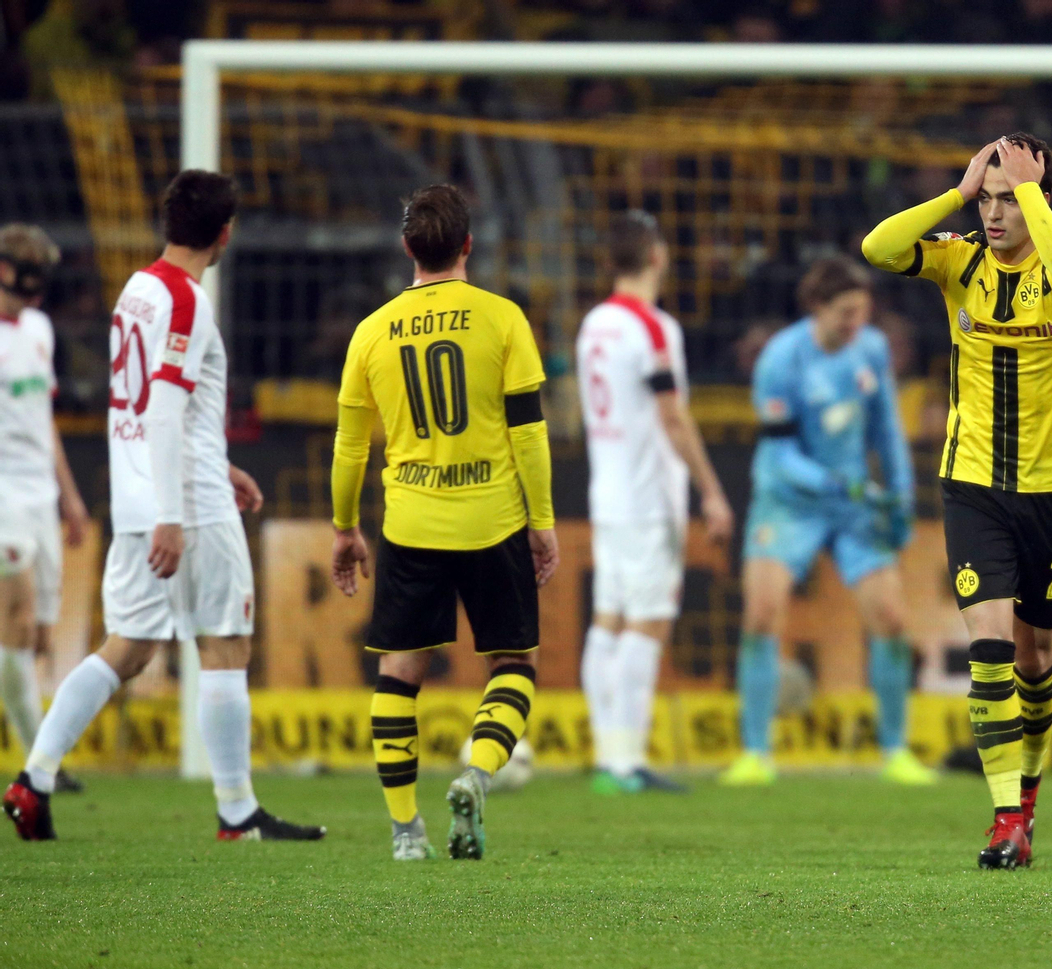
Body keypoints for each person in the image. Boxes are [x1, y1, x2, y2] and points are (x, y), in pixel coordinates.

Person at [3, 171, 324, 842]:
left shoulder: (138, 289)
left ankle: (33, 779)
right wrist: (175, 514)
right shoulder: (185, 301)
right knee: (225, 641)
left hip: (136, 495)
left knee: (129, 647)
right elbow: (166, 409)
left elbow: (152, 405)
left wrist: (218, 464)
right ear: (225, 234)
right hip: (185, 506)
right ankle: (237, 811)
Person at [862, 133, 1052, 868]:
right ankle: (1004, 820)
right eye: (988, 200)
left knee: (1038, 655)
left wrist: (1029, 190)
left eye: (1010, 200)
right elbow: (878, 248)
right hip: (973, 483)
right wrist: (957, 193)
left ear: (1041, 199)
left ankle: (1026, 800)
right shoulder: (960, 260)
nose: (995, 215)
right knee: (992, 650)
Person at [329, 184, 557, 862]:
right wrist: (541, 520)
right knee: (513, 662)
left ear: (408, 247)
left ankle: (406, 832)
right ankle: (477, 774)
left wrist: (345, 526)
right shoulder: (503, 319)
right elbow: (529, 433)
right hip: (493, 518)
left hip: (411, 523)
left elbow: (349, 446)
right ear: (468, 245)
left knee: (399, 674)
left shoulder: (371, 331)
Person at [719, 256, 935, 789]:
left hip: (852, 502)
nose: (856, 322)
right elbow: (780, 453)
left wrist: (902, 498)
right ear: (817, 306)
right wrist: (834, 483)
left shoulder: (871, 349)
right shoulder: (781, 358)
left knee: (890, 618)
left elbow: (887, 429)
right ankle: (755, 754)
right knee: (761, 613)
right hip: (788, 499)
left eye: (862, 311)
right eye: (845, 312)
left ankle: (895, 752)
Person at [576, 211, 732, 795]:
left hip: (607, 492)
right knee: (646, 625)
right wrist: (711, 491)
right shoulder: (653, 327)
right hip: (646, 496)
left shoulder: (593, 324)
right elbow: (672, 416)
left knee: (608, 622)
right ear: (657, 256)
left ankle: (607, 756)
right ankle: (627, 761)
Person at [0, 224, 91, 795]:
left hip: (41, 493)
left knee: (36, 633)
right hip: (3, 491)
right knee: (15, 615)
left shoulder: (39, 329)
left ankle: (38, 761)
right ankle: (41, 766)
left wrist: (70, 495)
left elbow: (44, 420)